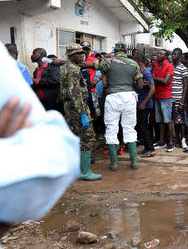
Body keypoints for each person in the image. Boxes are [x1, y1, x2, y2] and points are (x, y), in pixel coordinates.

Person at [0, 39, 79, 246]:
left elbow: (59, 158)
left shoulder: (50, 70)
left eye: (36, 53)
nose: (34, 56)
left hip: (51, 106)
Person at [83, 42, 143, 171]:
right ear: (126, 51)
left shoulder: (108, 62)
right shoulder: (133, 64)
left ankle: (114, 164)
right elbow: (140, 85)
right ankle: (134, 162)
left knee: (111, 128)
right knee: (129, 128)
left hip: (113, 97)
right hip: (129, 97)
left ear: (115, 51)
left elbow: (89, 65)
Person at [60, 43, 101, 181]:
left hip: (70, 108)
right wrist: (83, 114)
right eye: (78, 53)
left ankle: (76, 170)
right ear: (72, 55)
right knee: (87, 137)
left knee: (75, 137)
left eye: (82, 53)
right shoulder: (73, 70)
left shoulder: (66, 67)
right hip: (77, 108)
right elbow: (75, 93)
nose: (82, 55)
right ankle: (85, 172)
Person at [133, 51, 156, 157]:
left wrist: (144, 103)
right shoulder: (140, 73)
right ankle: (147, 147)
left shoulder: (146, 73)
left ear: (138, 61)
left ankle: (151, 149)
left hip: (145, 104)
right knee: (141, 126)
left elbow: (152, 89)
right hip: (140, 102)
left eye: (134, 59)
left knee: (143, 126)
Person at [152, 49, 175, 152]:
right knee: (160, 121)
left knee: (167, 120)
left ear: (165, 57)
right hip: (157, 95)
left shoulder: (169, 66)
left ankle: (171, 142)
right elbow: (159, 80)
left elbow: (166, 81)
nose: (158, 54)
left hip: (166, 96)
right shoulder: (155, 65)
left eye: (161, 53)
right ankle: (162, 141)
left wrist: (155, 79)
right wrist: (159, 80)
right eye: (158, 53)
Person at [30, 47, 61, 111]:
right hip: (40, 103)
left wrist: (36, 80)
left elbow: (55, 80)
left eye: (34, 53)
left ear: (41, 55)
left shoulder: (52, 67)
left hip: (52, 103)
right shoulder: (36, 71)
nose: (32, 56)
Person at [171, 48, 188, 149]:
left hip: (179, 99)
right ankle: (177, 140)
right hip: (170, 98)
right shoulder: (170, 67)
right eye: (172, 54)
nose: (173, 56)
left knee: (181, 121)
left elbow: (186, 86)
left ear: (180, 56)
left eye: (175, 54)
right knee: (175, 122)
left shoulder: (183, 68)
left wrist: (182, 102)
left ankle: (183, 140)